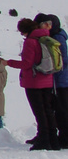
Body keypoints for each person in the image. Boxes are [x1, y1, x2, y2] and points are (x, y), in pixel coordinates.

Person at [3, 17, 58, 150]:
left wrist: (8, 62)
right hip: (48, 79)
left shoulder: (31, 42)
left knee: (39, 111)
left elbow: (27, 63)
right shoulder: (45, 37)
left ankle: (43, 140)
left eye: (22, 32)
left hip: (34, 82)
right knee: (48, 110)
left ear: (26, 31)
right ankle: (53, 139)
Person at [39, 14, 68, 148]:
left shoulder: (56, 38)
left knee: (62, 108)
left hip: (61, 80)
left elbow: (63, 59)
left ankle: (64, 136)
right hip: (60, 79)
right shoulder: (57, 36)